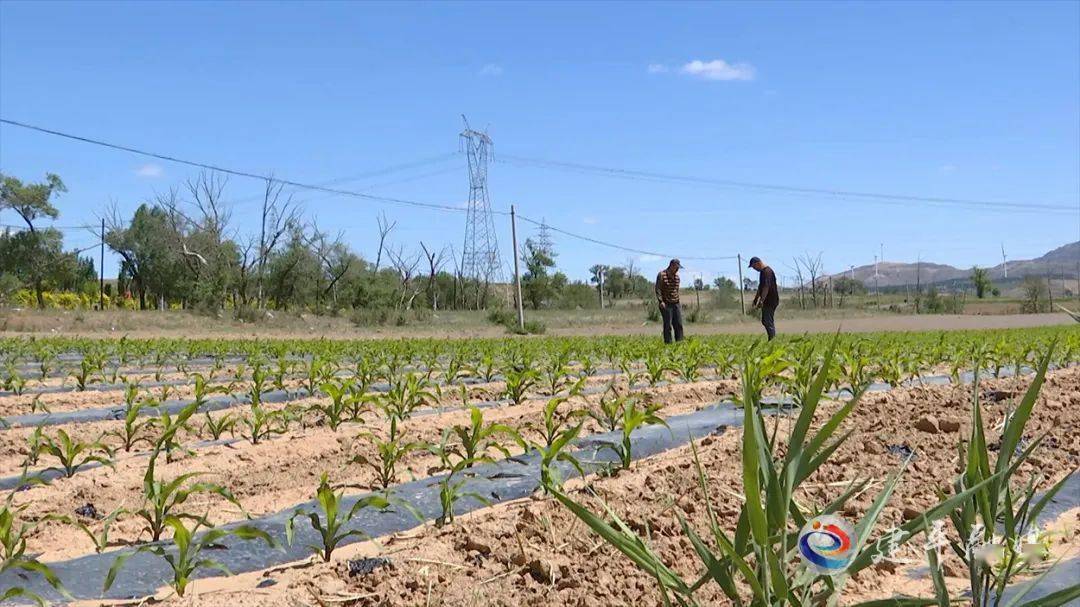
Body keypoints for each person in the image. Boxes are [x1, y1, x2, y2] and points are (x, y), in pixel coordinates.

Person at [749, 256, 779, 340]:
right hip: (766, 300)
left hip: (771, 300)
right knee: (765, 320)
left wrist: (761, 300)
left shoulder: (767, 272)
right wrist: (756, 299)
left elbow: (766, 287)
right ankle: (772, 338)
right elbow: (760, 287)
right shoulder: (762, 272)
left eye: (754, 267)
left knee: (767, 321)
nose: (754, 269)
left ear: (758, 263)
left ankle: (772, 340)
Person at [655, 259, 684, 344]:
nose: (677, 270)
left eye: (678, 268)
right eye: (676, 267)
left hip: (676, 303)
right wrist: (661, 301)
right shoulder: (662, 275)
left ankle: (680, 343)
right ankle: (668, 344)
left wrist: (678, 303)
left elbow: (676, 290)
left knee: (678, 324)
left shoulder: (677, 277)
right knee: (668, 325)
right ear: (671, 266)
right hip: (666, 303)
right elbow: (658, 289)